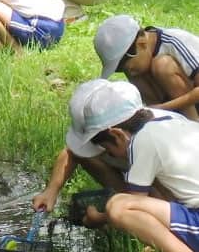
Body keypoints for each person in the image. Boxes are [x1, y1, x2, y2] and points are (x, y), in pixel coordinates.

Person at [69, 79, 199, 252]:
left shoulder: (143, 140)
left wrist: (98, 218)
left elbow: (135, 203)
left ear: (117, 134)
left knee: (118, 206)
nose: (112, 155)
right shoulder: (174, 122)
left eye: (108, 149)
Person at [32, 80, 186, 226]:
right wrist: (51, 190)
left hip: (180, 203)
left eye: (103, 146)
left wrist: (103, 218)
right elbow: (72, 152)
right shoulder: (127, 127)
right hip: (144, 185)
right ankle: (128, 203)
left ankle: (150, 226)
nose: (104, 152)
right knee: (88, 156)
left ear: (116, 135)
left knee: (156, 198)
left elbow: (174, 205)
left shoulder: (162, 144)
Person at [94, 14, 199, 121]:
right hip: (172, 104)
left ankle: (193, 124)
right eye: (119, 70)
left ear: (142, 44)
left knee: (162, 65)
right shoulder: (141, 61)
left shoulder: (173, 42)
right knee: (139, 76)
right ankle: (161, 122)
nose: (130, 73)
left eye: (129, 67)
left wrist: (162, 108)